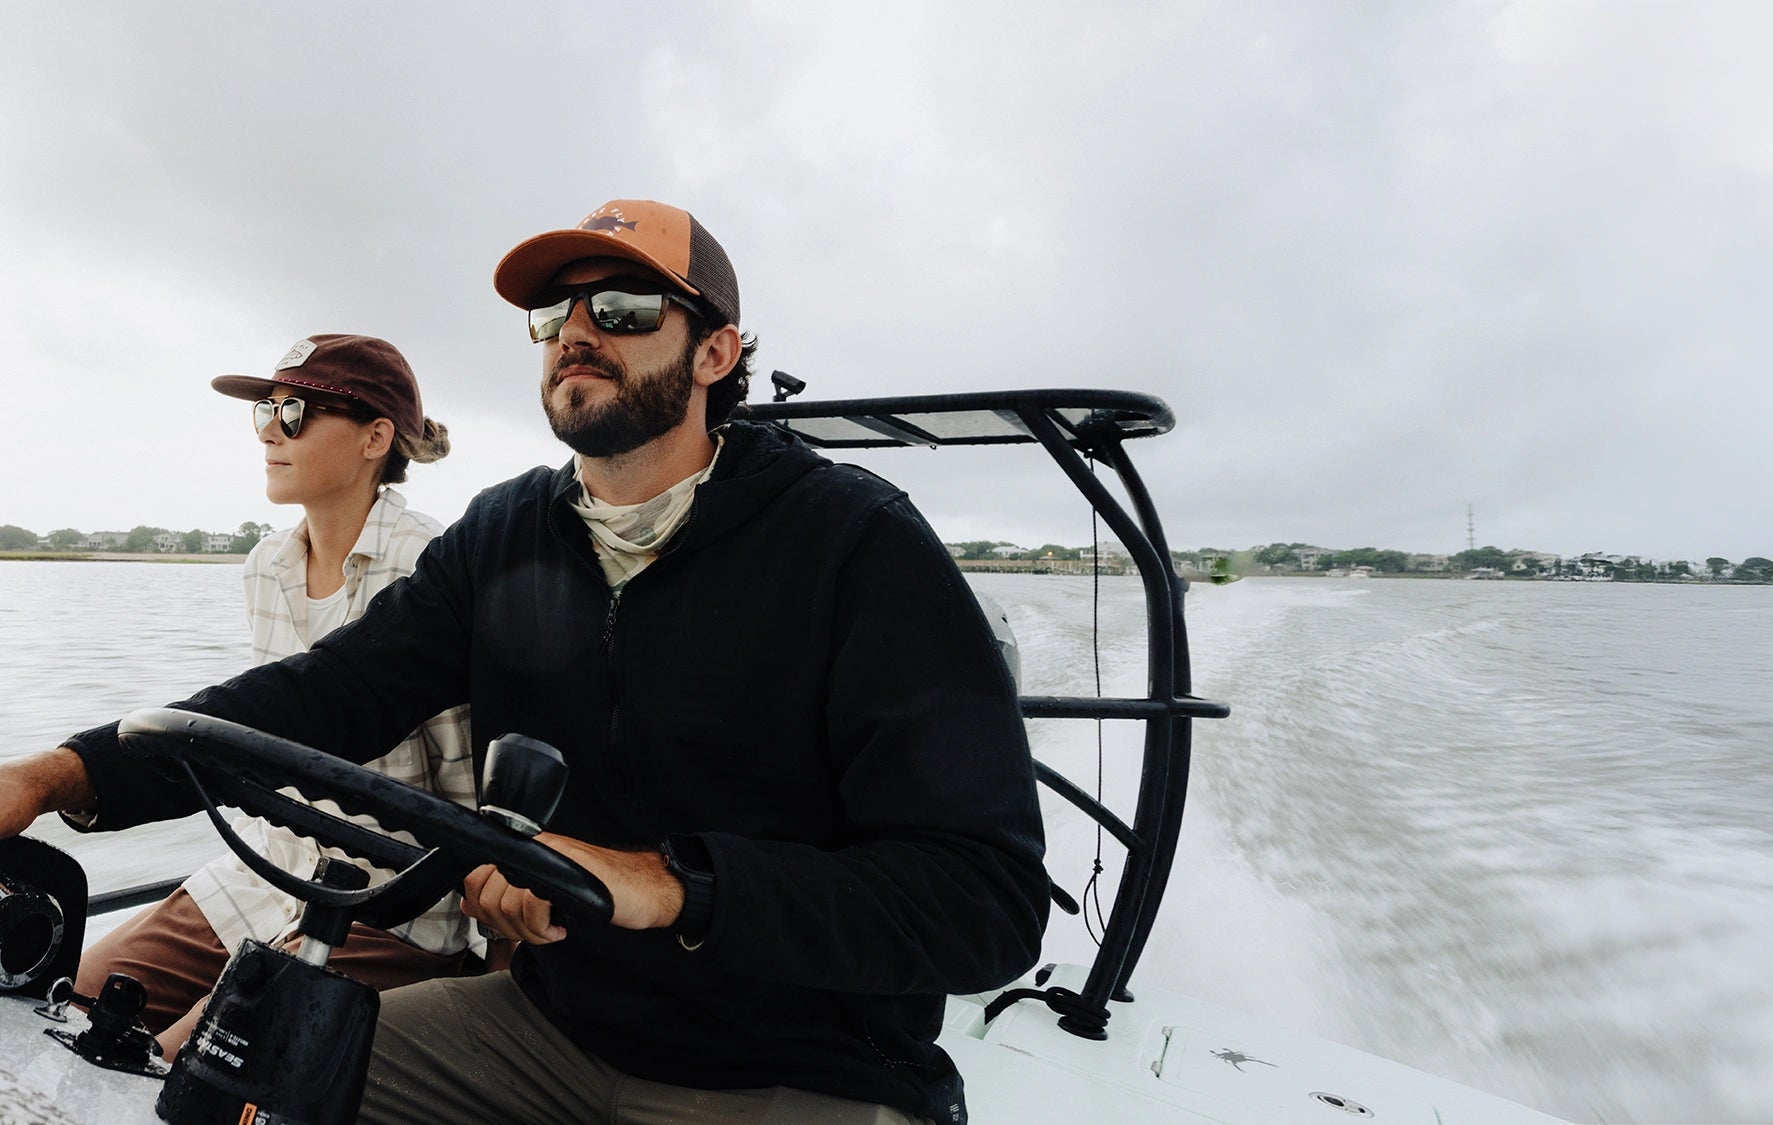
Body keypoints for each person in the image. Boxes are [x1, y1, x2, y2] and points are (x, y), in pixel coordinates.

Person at [0, 200, 1048, 1124]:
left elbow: (986, 901)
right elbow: (328, 694)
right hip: (553, 1026)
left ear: (716, 353)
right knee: (224, 1089)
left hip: (798, 1061)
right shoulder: (506, 534)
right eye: (556, 314)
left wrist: (668, 884)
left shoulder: (854, 543)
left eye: (624, 309)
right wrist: (63, 775)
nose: (577, 333)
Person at [67, 334, 480, 1062]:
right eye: (265, 411)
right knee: (72, 994)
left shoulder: (432, 568)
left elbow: (471, 781)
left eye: (295, 414)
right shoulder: (265, 565)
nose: (269, 432)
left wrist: (497, 948)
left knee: (183, 1060)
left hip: (391, 909)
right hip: (265, 870)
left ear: (375, 438)